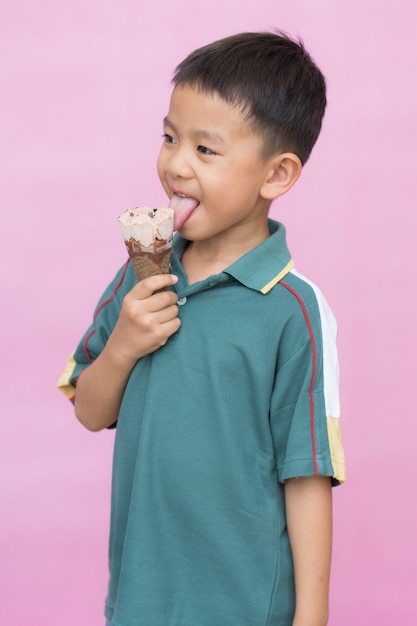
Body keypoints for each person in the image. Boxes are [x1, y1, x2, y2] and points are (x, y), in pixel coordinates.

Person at [58, 31, 346, 626]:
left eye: (205, 150)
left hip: (244, 604)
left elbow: (309, 471)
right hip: (140, 593)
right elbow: (89, 410)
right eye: (169, 138)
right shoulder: (142, 274)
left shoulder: (294, 310)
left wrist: (311, 615)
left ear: (276, 174)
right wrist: (125, 345)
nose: (175, 165)